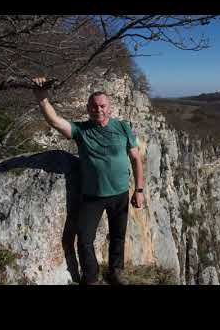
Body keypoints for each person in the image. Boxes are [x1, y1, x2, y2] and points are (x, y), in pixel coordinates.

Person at [32, 77, 145, 285]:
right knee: (84, 239)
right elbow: (55, 121)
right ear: (87, 108)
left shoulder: (122, 128)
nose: (98, 109)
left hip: (120, 193)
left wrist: (139, 190)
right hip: (92, 195)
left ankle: (116, 272)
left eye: (102, 106)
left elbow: (136, 159)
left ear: (109, 108)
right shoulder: (80, 131)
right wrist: (42, 98)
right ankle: (91, 278)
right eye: (94, 106)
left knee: (118, 235)